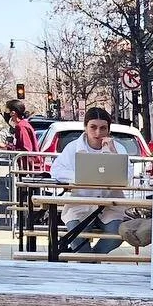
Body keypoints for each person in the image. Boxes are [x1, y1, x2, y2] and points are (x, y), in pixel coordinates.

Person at [49, 107, 131, 253]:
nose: (98, 133)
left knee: (117, 235)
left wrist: (113, 153)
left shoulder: (119, 148)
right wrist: (81, 177)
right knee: (75, 236)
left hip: (111, 207)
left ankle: (91, 260)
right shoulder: (72, 147)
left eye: (103, 128)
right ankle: (87, 261)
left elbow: (128, 176)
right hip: (79, 205)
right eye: (93, 127)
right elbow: (56, 170)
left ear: (108, 130)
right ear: (85, 127)